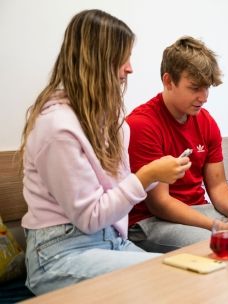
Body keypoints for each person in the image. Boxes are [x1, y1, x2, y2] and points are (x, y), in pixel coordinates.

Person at [19, 10, 190, 295]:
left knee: (184, 274)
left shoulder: (112, 125)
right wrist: (147, 175)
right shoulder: (57, 128)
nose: (130, 68)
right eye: (124, 58)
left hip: (110, 241)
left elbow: (110, 204)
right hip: (59, 253)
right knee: (168, 282)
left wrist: (149, 176)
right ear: (99, 60)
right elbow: (90, 216)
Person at [126, 36, 228, 252]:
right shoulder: (142, 125)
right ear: (168, 81)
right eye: (194, 88)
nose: (204, 96)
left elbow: (218, 186)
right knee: (217, 243)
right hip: (150, 221)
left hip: (199, 211)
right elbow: (160, 203)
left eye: (207, 87)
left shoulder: (206, 121)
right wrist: (217, 226)